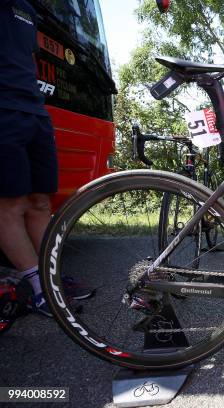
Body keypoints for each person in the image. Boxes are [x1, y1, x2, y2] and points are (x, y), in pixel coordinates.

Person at [0, 0, 92, 317]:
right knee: (9, 204)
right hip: (3, 110)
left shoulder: (28, 8)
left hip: (35, 110)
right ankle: (40, 291)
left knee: (41, 200)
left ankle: (52, 277)